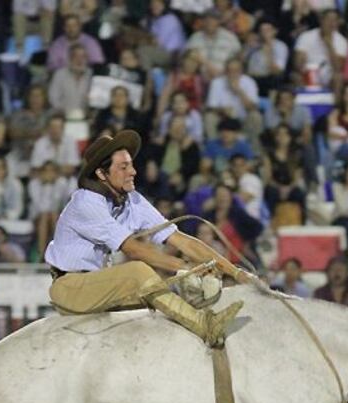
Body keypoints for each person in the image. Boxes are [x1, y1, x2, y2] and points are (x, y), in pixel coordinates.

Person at [43, 130, 253, 346]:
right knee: (138, 271)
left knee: (163, 298)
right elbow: (133, 249)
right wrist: (187, 267)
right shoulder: (86, 203)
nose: (133, 171)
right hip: (71, 288)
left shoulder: (132, 200)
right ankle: (205, 326)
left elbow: (181, 240)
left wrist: (236, 272)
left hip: (99, 285)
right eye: (123, 167)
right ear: (101, 173)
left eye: (131, 165)